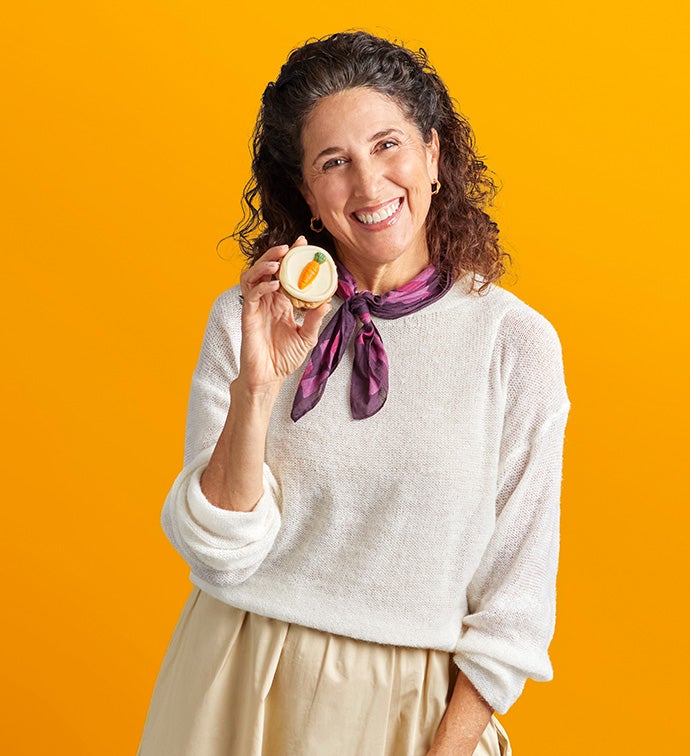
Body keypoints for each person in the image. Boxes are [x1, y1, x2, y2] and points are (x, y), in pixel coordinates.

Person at [138, 31, 569, 756]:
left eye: (388, 145)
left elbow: (516, 605)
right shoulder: (248, 322)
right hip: (234, 680)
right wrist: (259, 386)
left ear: (434, 155)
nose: (369, 186)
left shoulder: (512, 343)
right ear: (307, 193)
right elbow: (220, 556)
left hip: (411, 711)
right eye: (334, 162)